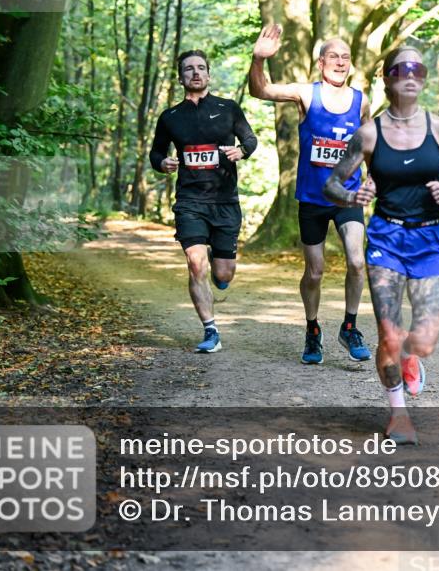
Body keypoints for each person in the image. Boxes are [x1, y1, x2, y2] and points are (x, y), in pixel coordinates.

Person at [323, 46, 439, 445]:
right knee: (389, 334)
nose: (411, 74)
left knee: (424, 340)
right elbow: (332, 184)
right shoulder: (368, 134)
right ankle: (399, 414)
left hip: (431, 238)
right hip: (386, 238)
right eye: (402, 68)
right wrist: (351, 197)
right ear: (387, 78)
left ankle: (410, 356)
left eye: (418, 68)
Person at [249, 24, 373, 365]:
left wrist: (373, 179)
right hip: (312, 200)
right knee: (315, 271)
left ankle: (350, 327)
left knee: (357, 261)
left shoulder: (361, 100)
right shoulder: (306, 94)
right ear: (321, 62)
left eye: (345, 57)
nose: (340, 62)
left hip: (347, 198)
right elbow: (260, 91)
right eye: (333, 56)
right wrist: (258, 60)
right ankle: (312, 329)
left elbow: (370, 144)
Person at [150, 50, 258, 353]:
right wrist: (162, 163)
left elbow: (250, 139)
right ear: (180, 77)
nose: (195, 73)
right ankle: (211, 330)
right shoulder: (170, 117)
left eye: (200, 68)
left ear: (209, 74)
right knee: (195, 264)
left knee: (223, 275)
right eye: (189, 69)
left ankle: (217, 261)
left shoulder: (228, 108)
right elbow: (156, 152)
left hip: (225, 201)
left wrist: (242, 151)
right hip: (190, 200)